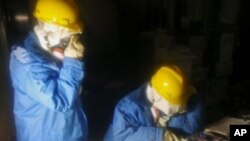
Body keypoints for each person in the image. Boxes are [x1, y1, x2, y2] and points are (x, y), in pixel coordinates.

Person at [9, 0, 88, 141]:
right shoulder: (27, 64)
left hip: (67, 132)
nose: (70, 43)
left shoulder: (47, 51)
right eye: (66, 38)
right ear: (48, 33)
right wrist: (73, 62)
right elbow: (60, 100)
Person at [104, 66, 205, 141]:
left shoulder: (186, 99)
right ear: (160, 99)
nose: (184, 107)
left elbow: (191, 129)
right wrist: (163, 137)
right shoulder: (127, 108)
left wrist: (193, 100)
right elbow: (123, 136)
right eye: (179, 105)